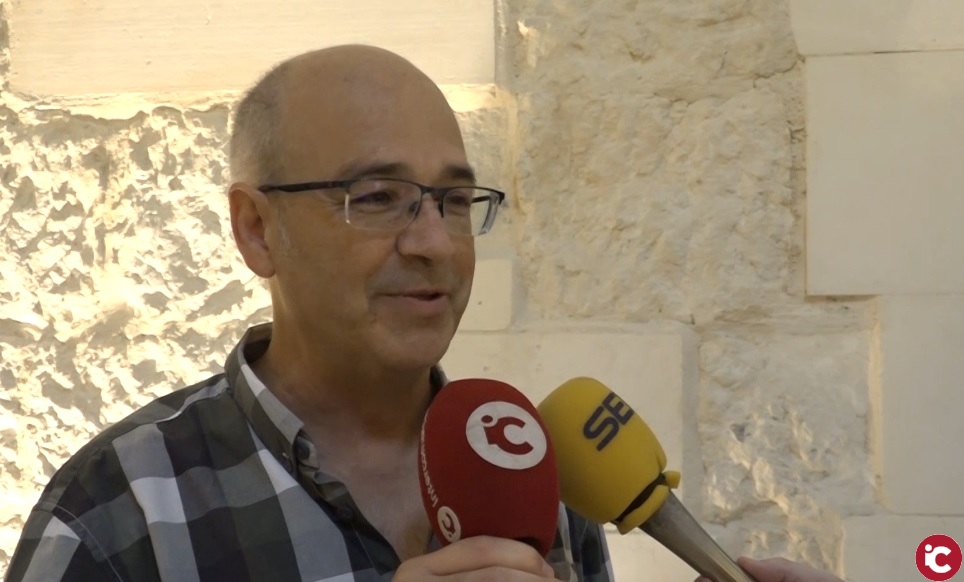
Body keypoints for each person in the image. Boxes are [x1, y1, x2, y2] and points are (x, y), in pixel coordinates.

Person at [4, 44, 844, 582]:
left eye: (454, 199)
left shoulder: (536, 476)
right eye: (378, 197)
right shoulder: (118, 513)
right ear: (256, 229)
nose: (437, 242)